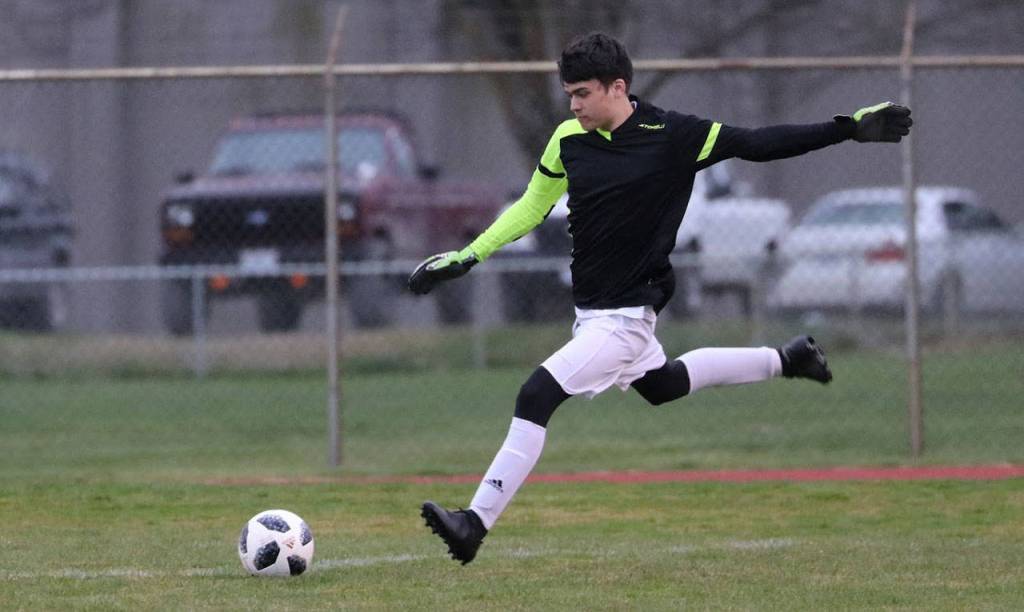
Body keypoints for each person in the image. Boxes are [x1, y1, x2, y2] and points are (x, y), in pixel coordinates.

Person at [407, 32, 912, 565]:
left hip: (623, 317)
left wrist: (847, 129)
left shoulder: (674, 135)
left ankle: (474, 523)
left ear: (616, 87)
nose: (573, 105)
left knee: (536, 396)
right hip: (594, 315)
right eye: (569, 95)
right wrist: (466, 256)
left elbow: (761, 142)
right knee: (662, 384)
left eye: (581, 94)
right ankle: (787, 359)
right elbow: (531, 209)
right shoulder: (567, 140)